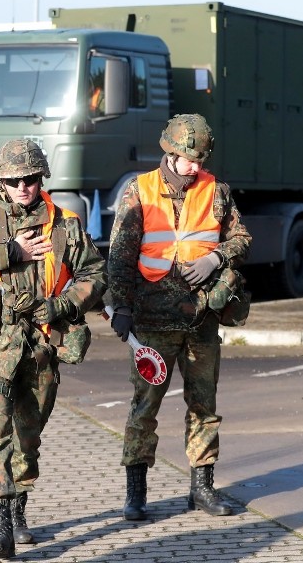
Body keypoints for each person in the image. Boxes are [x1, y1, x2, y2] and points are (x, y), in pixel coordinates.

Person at [0, 139, 107, 559]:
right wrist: (11, 252)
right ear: (0, 181)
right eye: (15, 180)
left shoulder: (63, 224)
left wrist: (64, 305)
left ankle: (18, 507)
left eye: (31, 179)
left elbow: (95, 272)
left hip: (41, 344)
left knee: (28, 434)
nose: (23, 187)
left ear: (41, 179)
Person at [107, 113, 251, 521]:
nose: (195, 166)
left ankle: (202, 490)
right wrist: (120, 307)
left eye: (200, 158)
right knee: (143, 410)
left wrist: (215, 257)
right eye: (189, 158)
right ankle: (136, 495)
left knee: (204, 407)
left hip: (200, 321)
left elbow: (241, 239)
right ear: (168, 151)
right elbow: (119, 257)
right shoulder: (140, 191)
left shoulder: (217, 191)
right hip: (152, 324)